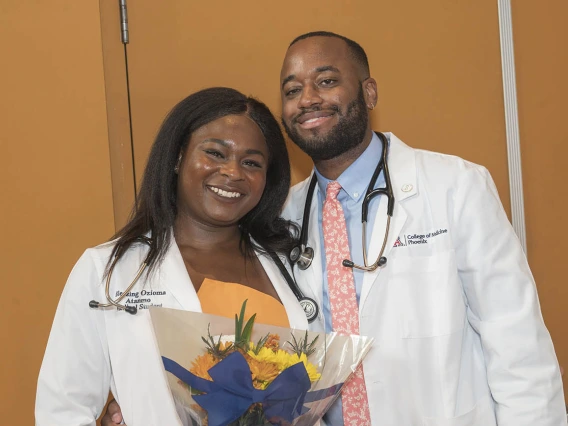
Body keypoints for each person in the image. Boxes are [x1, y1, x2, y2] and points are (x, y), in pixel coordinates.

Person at [102, 32, 567, 426]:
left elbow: (516, 342)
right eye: (292, 89)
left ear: (368, 93)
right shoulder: (276, 215)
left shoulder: (455, 187)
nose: (308, 99)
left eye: (326, 81)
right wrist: (143, 394)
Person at [35, 87, 309, 425]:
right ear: (178, 157)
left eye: (252, 162)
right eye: (215, 153)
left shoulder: (288, 264)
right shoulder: (108, 271)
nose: (233, 172)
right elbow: (63, 410)